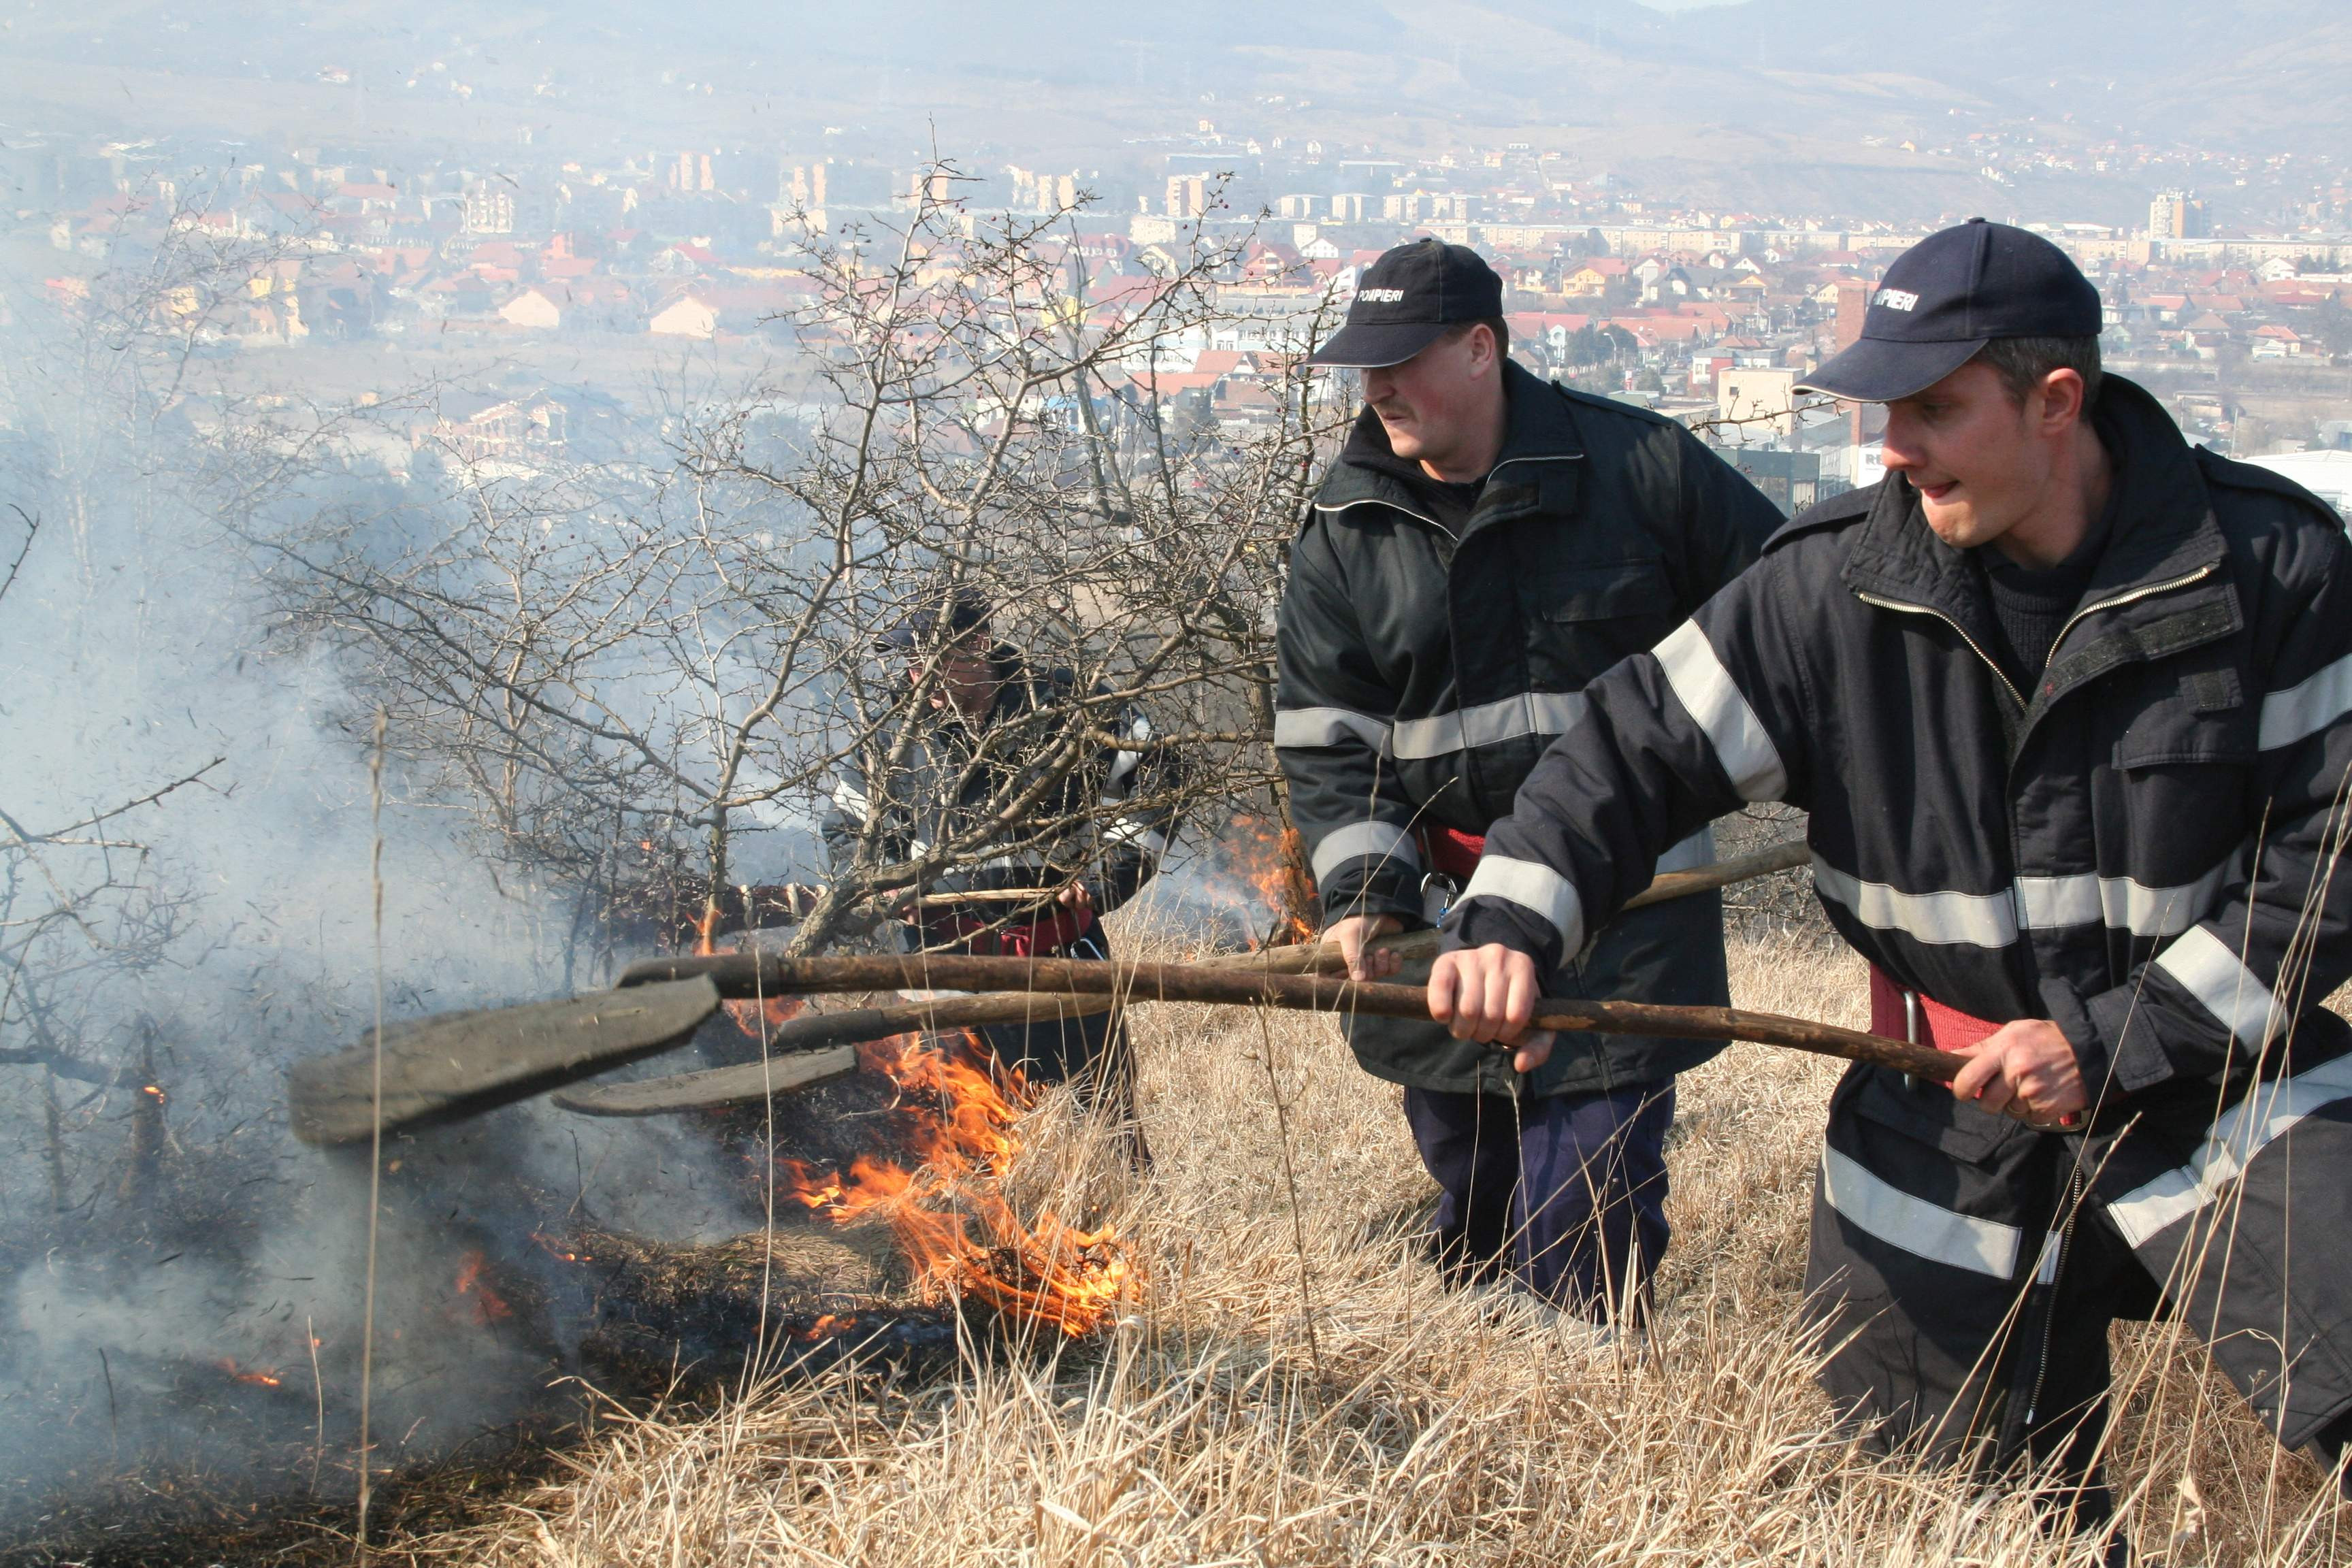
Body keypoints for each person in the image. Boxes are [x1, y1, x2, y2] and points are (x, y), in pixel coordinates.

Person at [1428, 219, 2352, 1532]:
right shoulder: (1830, 590)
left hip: (2227, 1090)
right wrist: (1516, 913)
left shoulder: (2270, 568)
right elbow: (1628, 748)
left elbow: (2333, 862)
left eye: (1930, 408)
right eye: (1882, 411)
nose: (1891, 448)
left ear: (2055, 403)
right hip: (1940, 1125)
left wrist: (2118, 1038)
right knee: (1948, 1510)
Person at [1277, 238, 1783, 1320]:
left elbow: (1793, 626)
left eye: (1402, 360)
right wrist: (1364, 895)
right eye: (1365, 367)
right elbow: (1330, 740)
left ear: (1480, 348)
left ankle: (1588, 1410)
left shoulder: (1645, 471)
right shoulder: (1343, 527)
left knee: (1585, 1208)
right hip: (1439, 932)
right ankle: (1493, 1417)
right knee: (1474, 1194)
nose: (1378, 389)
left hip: (1627, 911)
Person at [823, 589, 1175, 1156]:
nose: (917, 678)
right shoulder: (891, 734)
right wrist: (889, 888)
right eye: (910, 662)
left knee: (1109, 1127)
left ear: (979, 645)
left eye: (931, 660)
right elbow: (848, 831)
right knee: (957, 1133)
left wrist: (1107, 877)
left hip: (1059, 952)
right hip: (940, 961)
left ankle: (1130, 1220)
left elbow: (1158, 781)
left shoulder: (1068, 706)